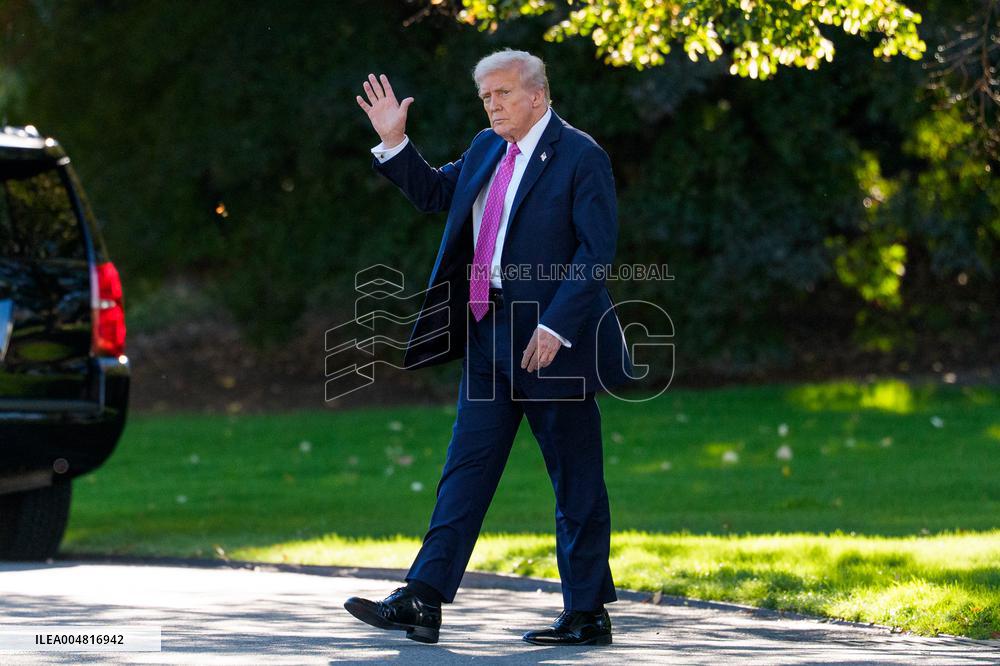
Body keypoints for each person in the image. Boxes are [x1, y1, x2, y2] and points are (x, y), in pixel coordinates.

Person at [346, 49, 633, 646]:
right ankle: (423, 597)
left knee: (576, 480)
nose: (493, 105)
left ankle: (586, 612)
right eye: (486, 97)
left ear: (536, 95)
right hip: (487, 332)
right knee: (465, 471)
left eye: (502, 94)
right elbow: (435, 196)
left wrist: (556, 326)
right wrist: (395, 143)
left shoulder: (581, 156)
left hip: (553, 339)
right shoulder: (485, 148)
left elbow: (595, 252)